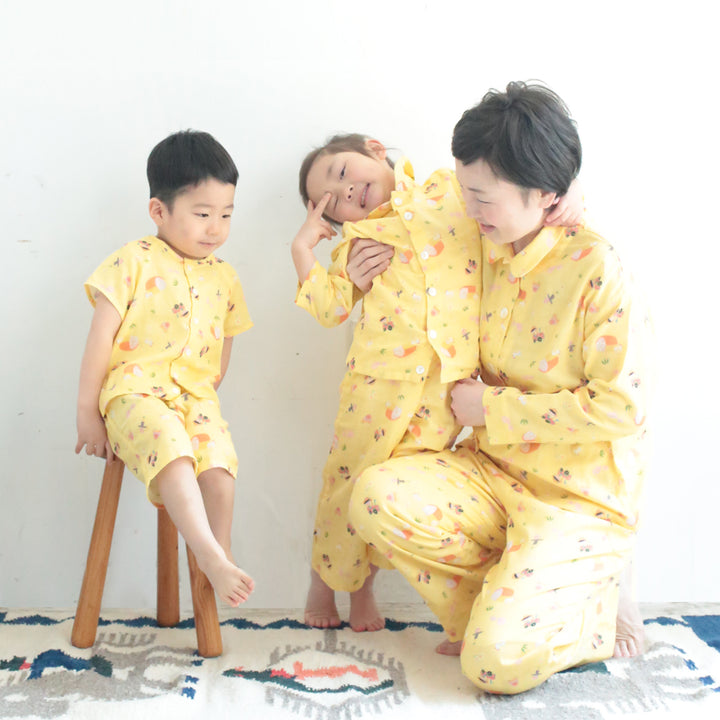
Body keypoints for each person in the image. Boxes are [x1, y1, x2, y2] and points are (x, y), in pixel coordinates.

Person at [347, 82, 651, 694]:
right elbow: (413, 202)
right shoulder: (480, 242)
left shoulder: (597, 269)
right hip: (491, 476)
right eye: (465, 191)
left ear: (544, 194)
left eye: (481, 197)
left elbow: (622, 407)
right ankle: (503, 605)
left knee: (493, 666)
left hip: (576, 499)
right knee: (374, 495)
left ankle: (588, 609)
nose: (467, 207)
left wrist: (491, 408)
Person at [292, 133, 583, 632]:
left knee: (396, 490)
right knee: (346, 483)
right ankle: (323, 584)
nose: (346, 192)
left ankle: (365, 589)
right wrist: (304, 251)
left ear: (374, 149)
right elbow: (329, 309)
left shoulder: (451, 190)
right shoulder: (358, 242)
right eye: (332, 202)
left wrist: (568, 188)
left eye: (342, 173)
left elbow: (512, 203)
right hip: (375, 389)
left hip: (443, 394)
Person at [75, 130, 254, 608]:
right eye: (202, 214)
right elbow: (99, 341)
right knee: (174, 451)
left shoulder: (225, 276)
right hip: (134, 396)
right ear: (159, 210)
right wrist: (87, 413)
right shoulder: (131, 261)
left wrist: (207, 395)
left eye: (226, 214)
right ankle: (208, 555)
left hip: (194, 398)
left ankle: (220, 551)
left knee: (219, 462)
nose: (216, 228)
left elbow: (226, 340)